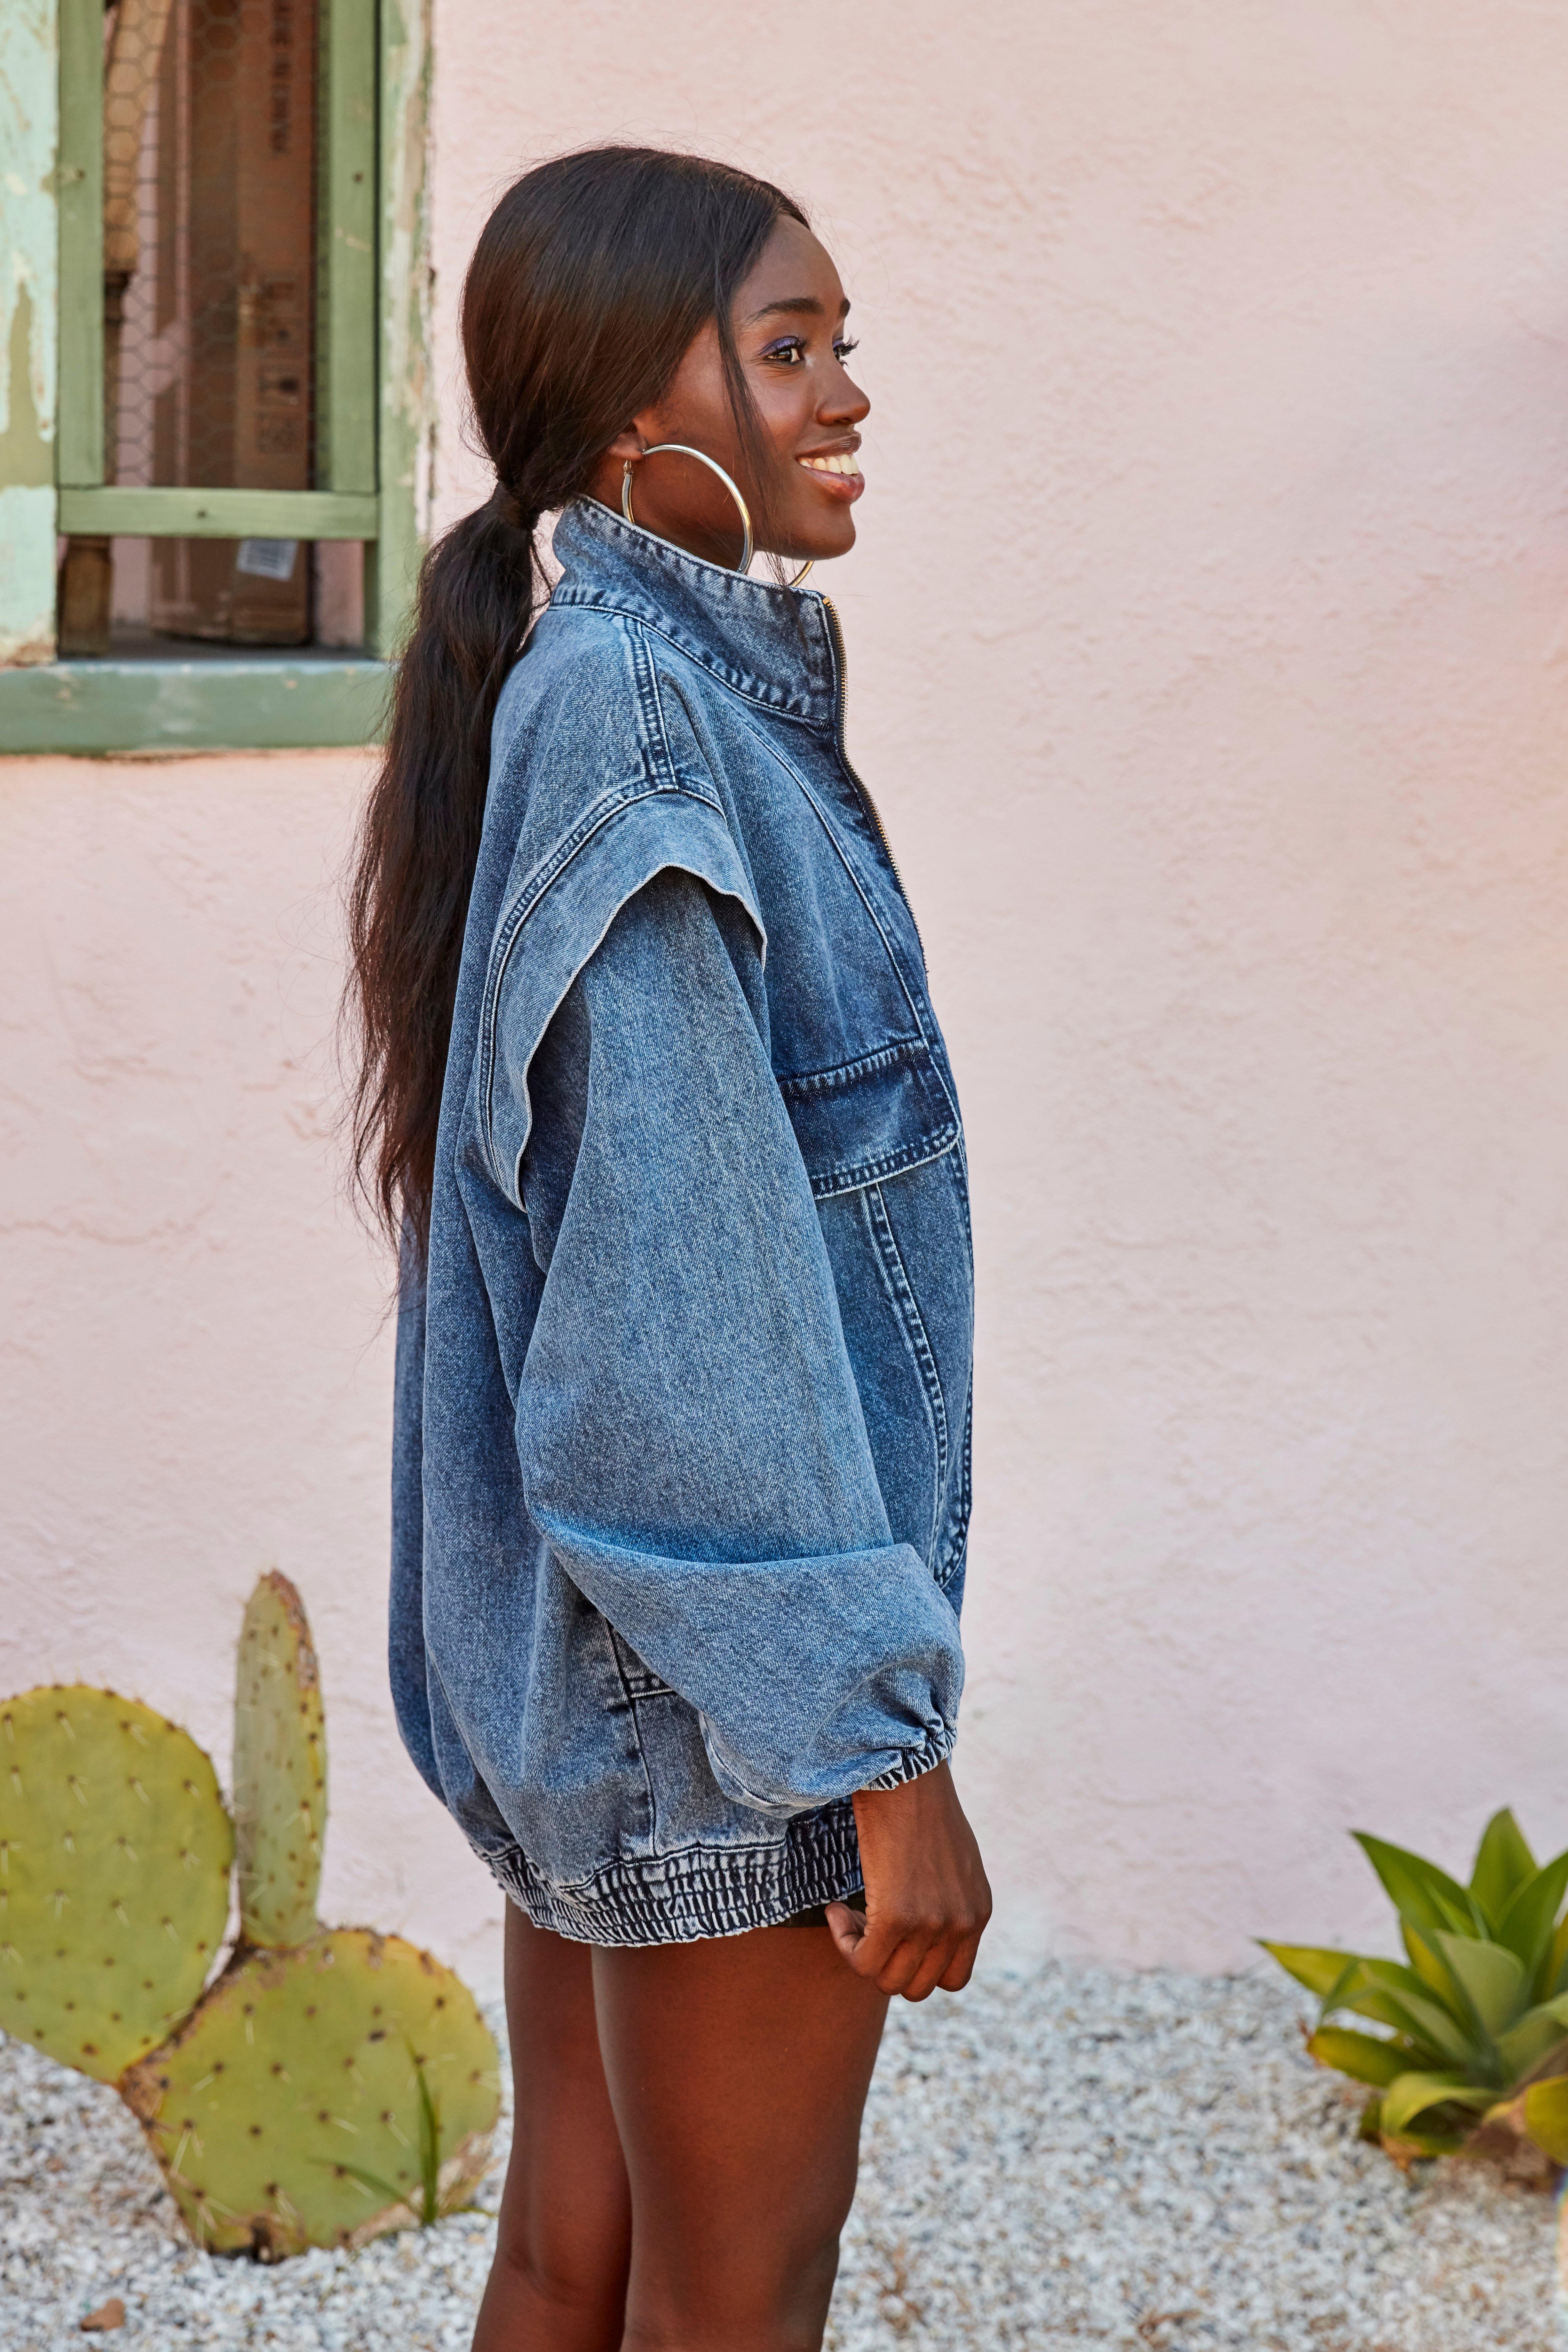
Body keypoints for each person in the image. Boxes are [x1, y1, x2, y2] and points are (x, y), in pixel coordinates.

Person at [345, 144, 991, 2352]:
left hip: (623, 1681)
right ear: (643, 412)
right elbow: (669, 1309)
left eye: (838, 344)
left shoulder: (610, 690)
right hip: (726, 1714)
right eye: (787, 348)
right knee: (734, 2305)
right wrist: (874, 1754)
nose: (843, 397)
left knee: (578, 2262)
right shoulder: (642, 723)